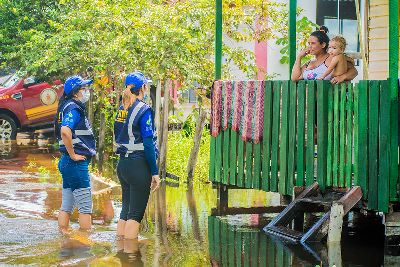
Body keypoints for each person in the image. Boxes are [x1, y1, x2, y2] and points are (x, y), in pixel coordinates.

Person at [114, 71, 160, 240]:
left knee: (125, 210)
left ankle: (120, 251)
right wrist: (154, 172)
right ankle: (130, 256)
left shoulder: (121, 108)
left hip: (123, 165)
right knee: (135, 214)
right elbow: (148, 144)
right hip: (138, 166)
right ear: (143, 88)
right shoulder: (144, 109)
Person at [56, 75, 96, 233]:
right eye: (83, 88)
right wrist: (73, 154)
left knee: (66, 205)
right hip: (75, 163)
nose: (86, 91)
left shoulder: (65, 106)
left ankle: (63, 237)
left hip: (66, 162)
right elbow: (65, 131)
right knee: (85, 207)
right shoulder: (73, 108)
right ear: (75, 92)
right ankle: (85, 244)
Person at [291, 26, 358, 83]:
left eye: (313, 43)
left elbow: (354, 71)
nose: (309, 46)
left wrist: (342, 77)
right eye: (309, 43)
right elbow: (294, 78)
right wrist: (299, 57)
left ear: (323, 45)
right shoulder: (308, 63)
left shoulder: (333, 57)